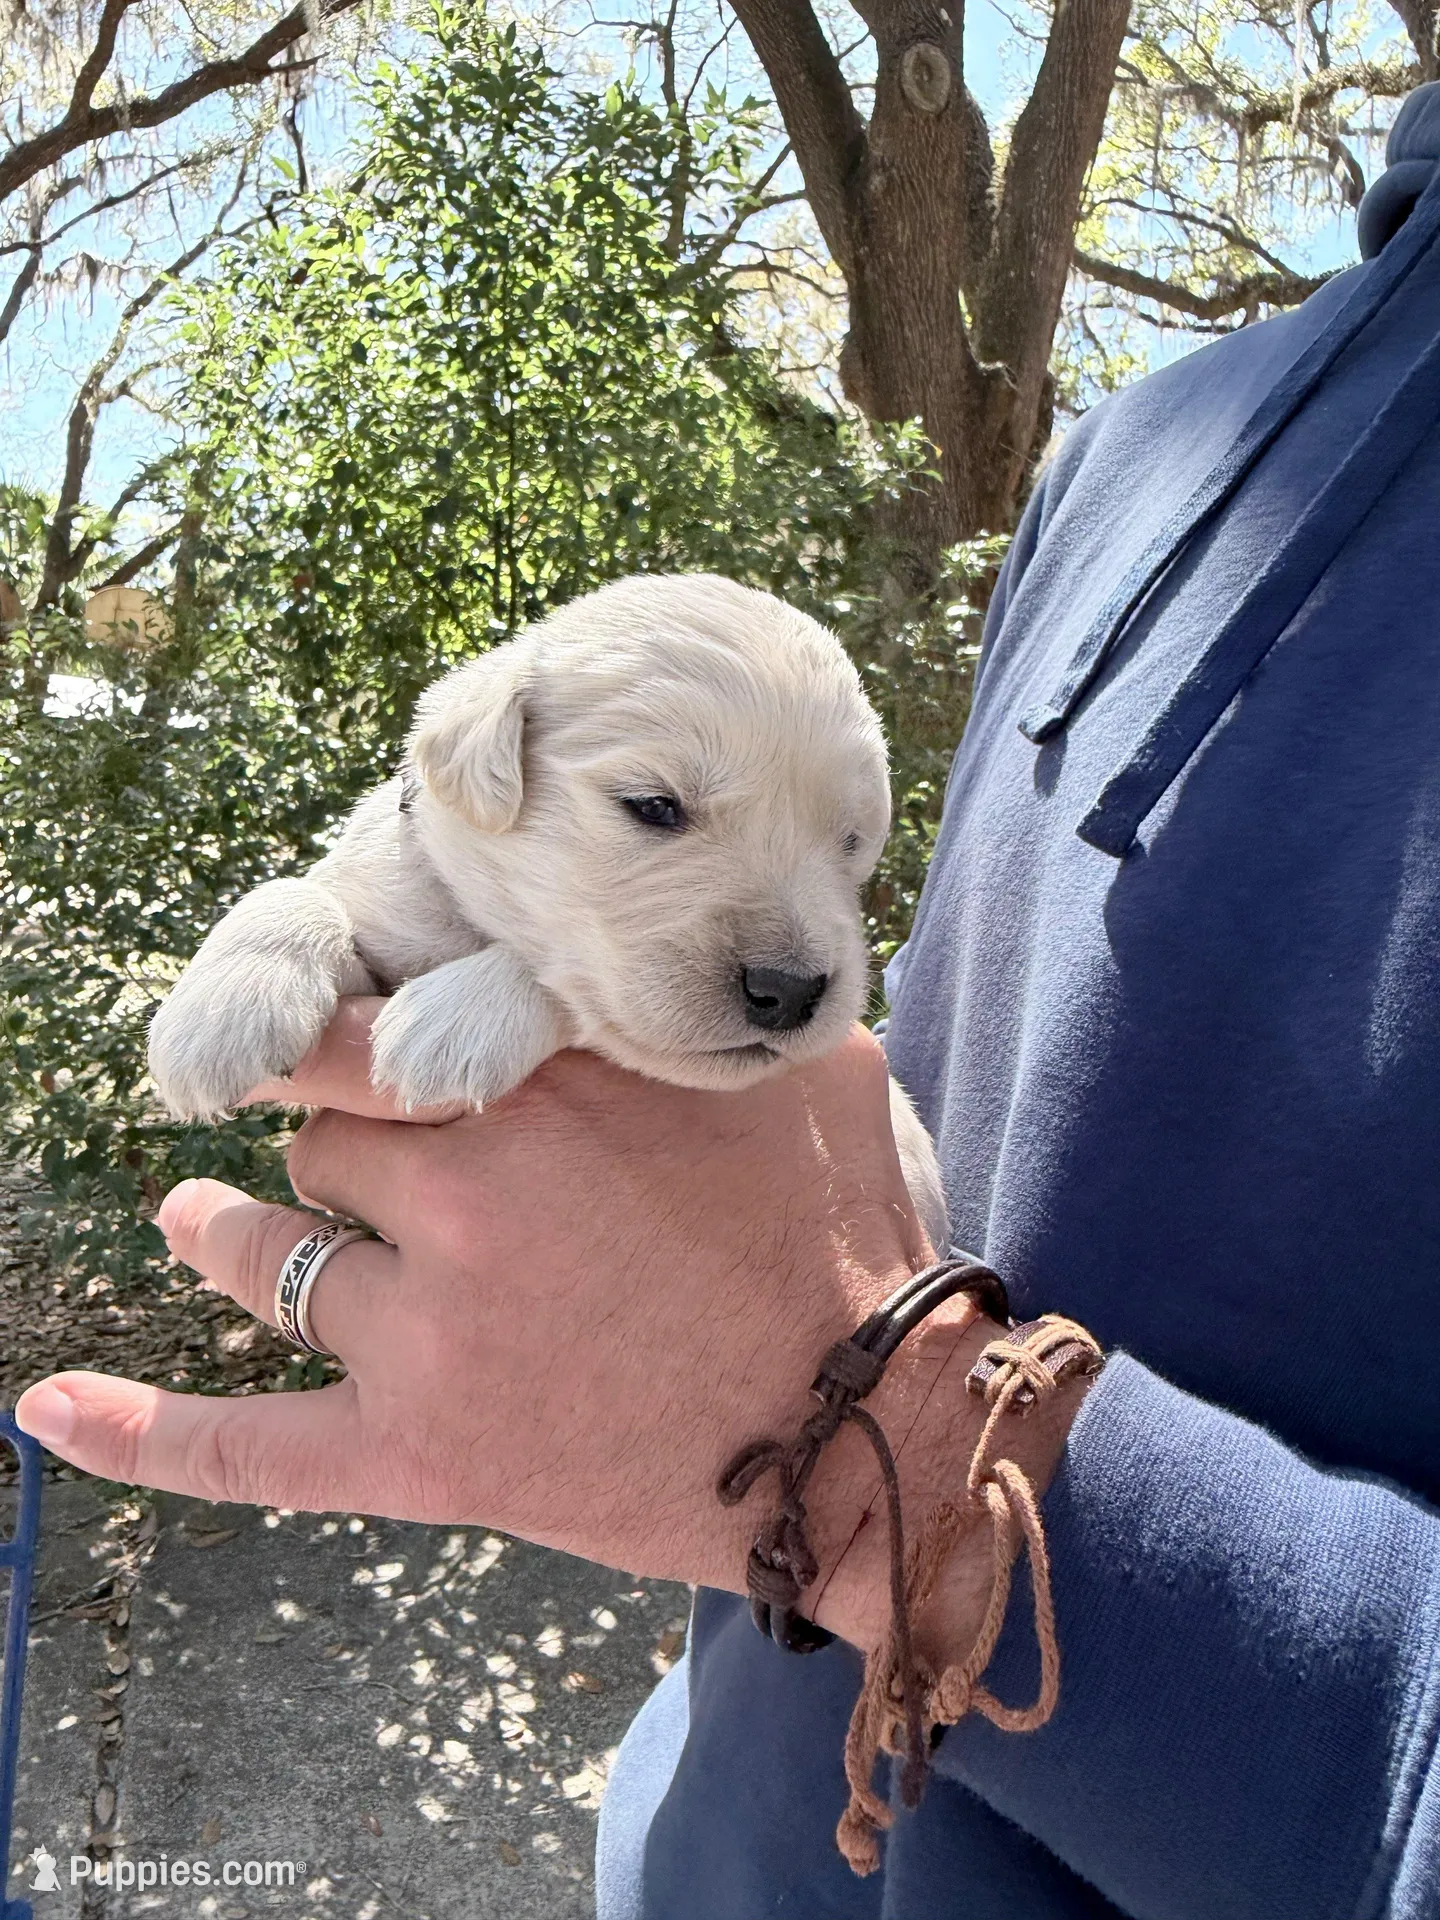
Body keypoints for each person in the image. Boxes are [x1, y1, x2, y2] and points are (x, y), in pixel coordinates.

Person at [16, 83, 1440, 1919]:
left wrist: (894, 1451)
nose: (794, 938)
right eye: (664, 810)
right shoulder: (1145, 446)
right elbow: (877, 1081)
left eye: (848, 857)